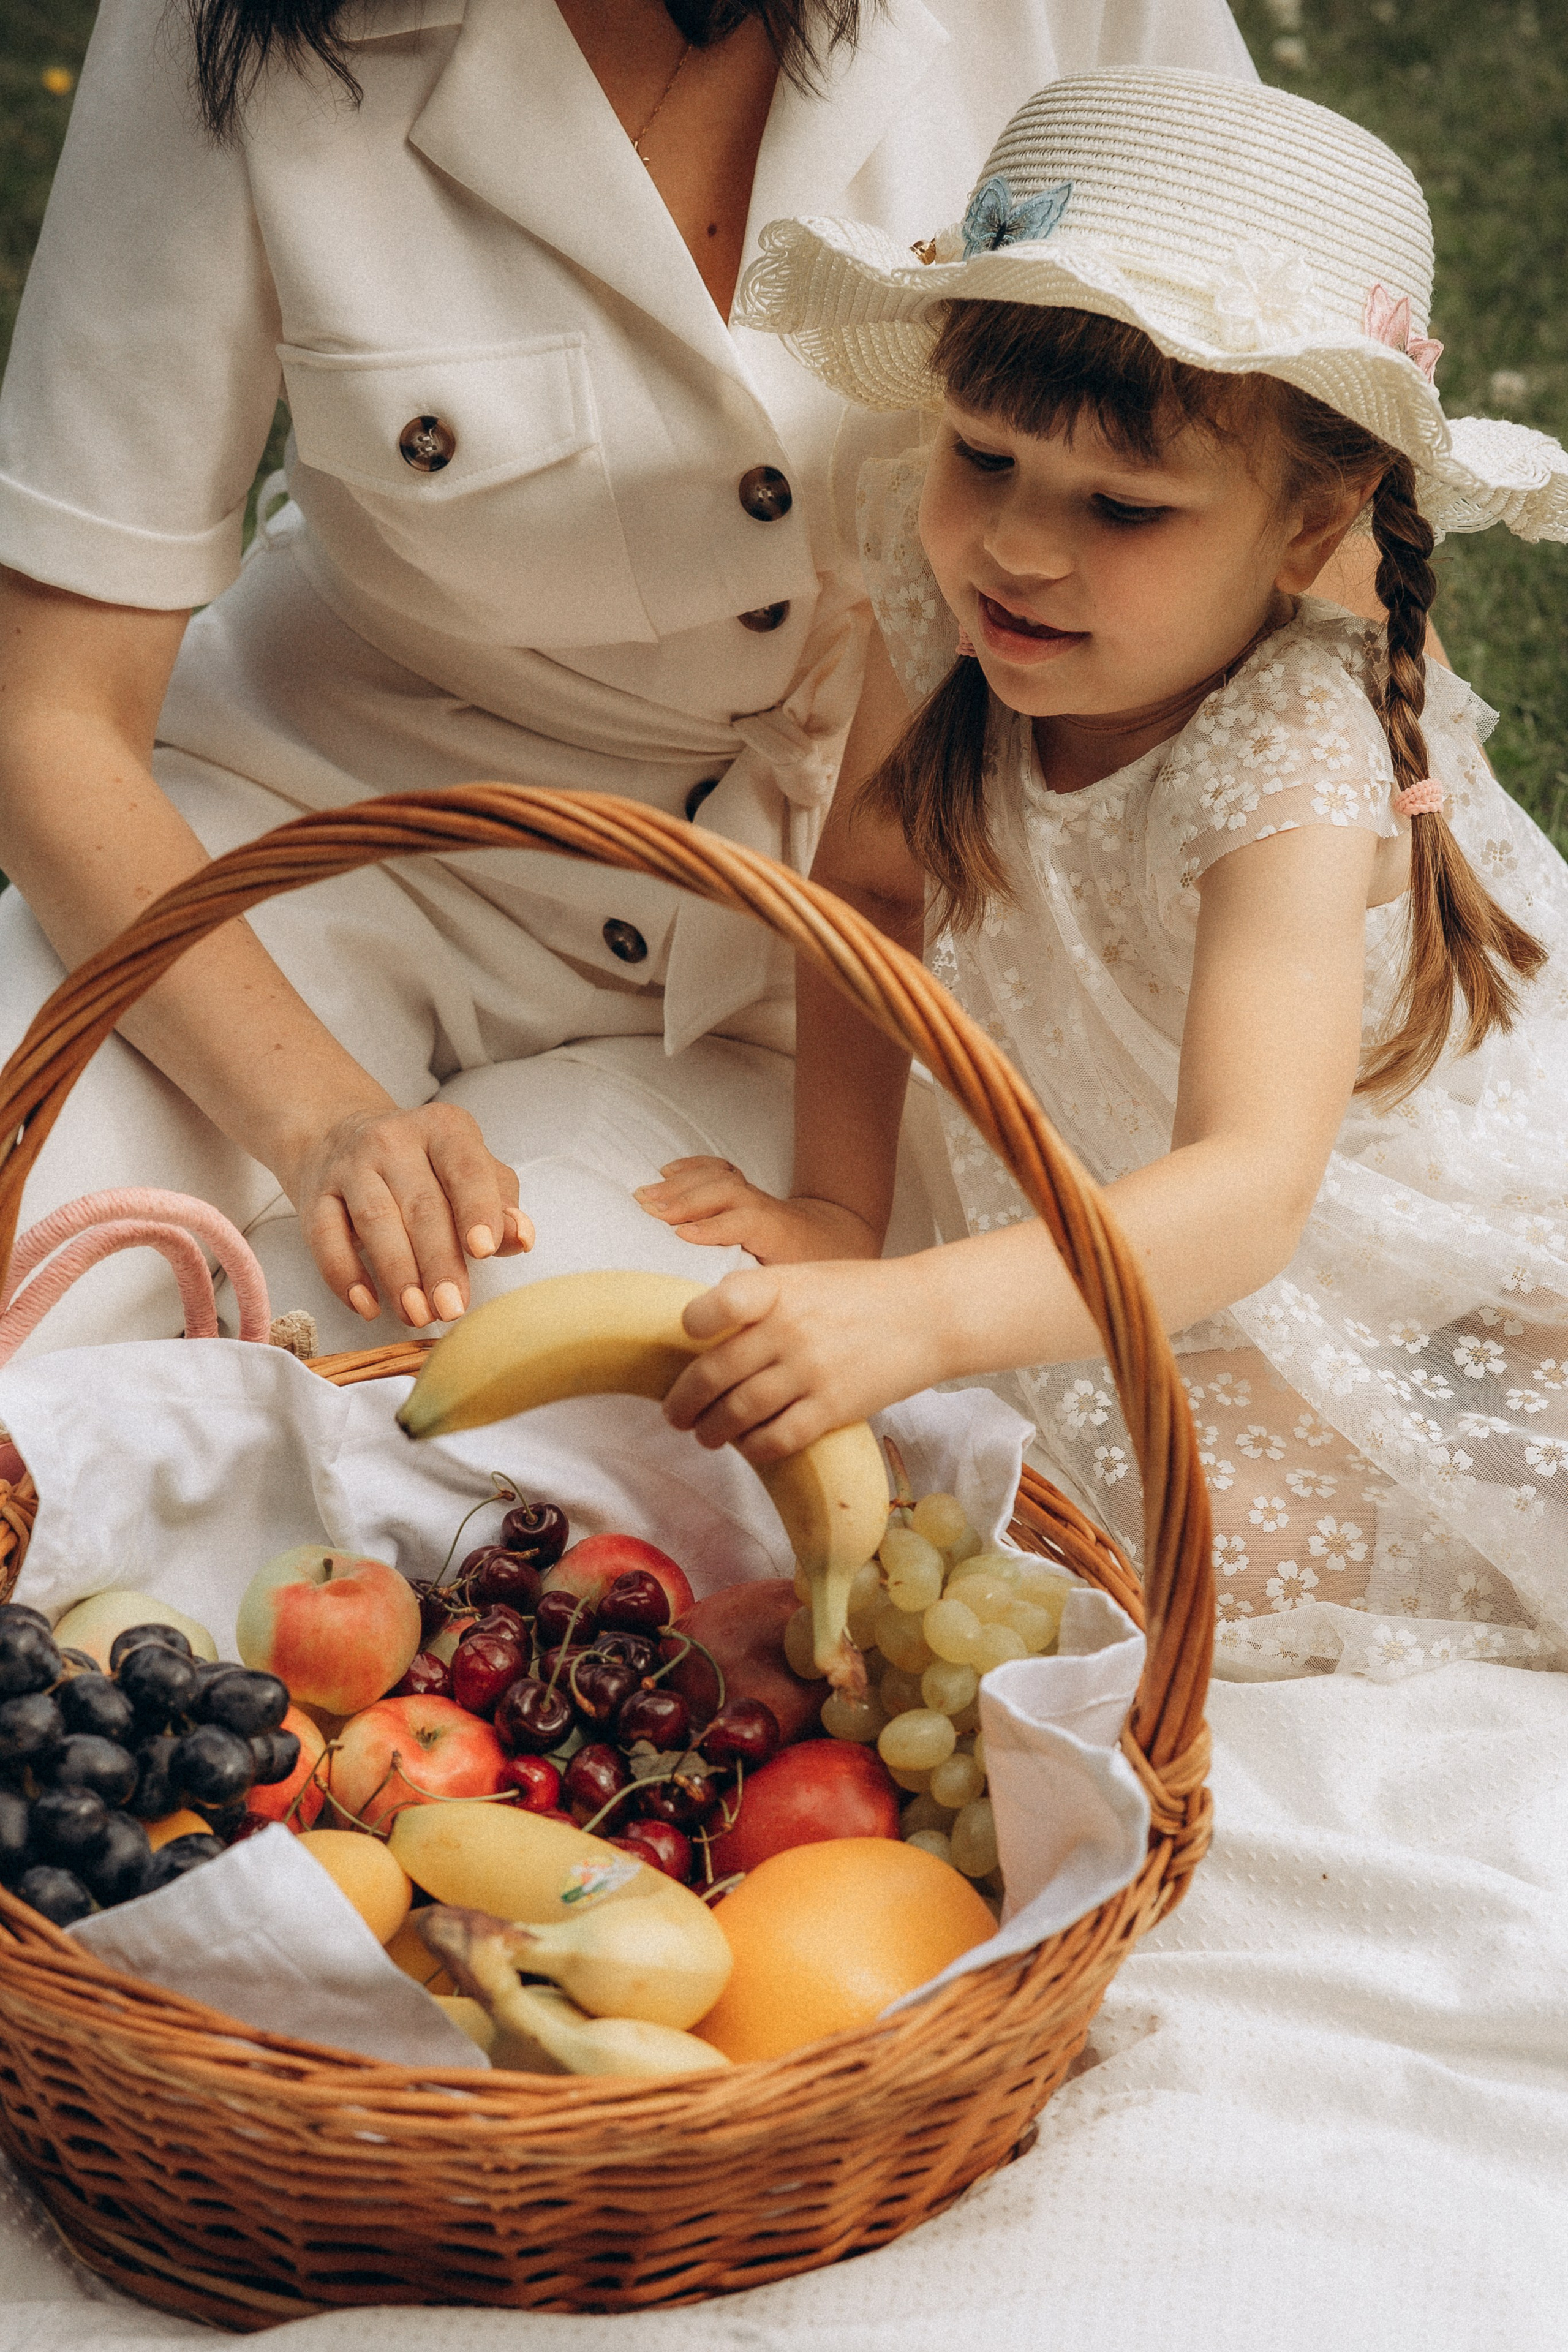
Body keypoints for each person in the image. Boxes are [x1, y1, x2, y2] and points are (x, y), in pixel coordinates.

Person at [0, 0, 1260, 1359]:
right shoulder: (216, 29)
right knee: (37, 1266)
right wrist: (323, 1118)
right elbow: (49, 713)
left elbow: (1305, 437)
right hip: (326, 838)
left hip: (848, 932)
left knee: (589, 1401)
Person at [637, 67, 1568, 1680]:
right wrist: (845, 1210)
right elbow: (867, 893)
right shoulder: (947, 593)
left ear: (1311, 519)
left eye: (1123, 506)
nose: (1018, 546)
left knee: (1237, 1542)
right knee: (1055, 1506)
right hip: (1137, 1162)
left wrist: (921, 1313)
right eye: (986, 457)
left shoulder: (1290, 751)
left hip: (1355, 1183)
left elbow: (1250, 1186)